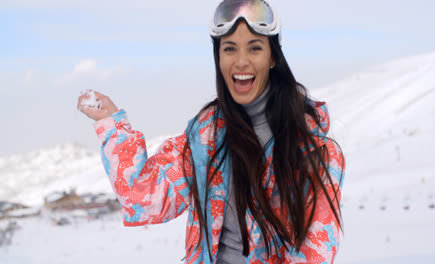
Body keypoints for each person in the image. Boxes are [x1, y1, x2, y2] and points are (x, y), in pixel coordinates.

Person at [77, 0, 345, 263]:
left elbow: (312, 255)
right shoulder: (205, 137)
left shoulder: (314, 152)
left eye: (254, 48)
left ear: (273, 56)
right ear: (219, 57)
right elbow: (144, 199)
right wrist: (112, 125)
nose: (241, 61)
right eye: (229, 49)